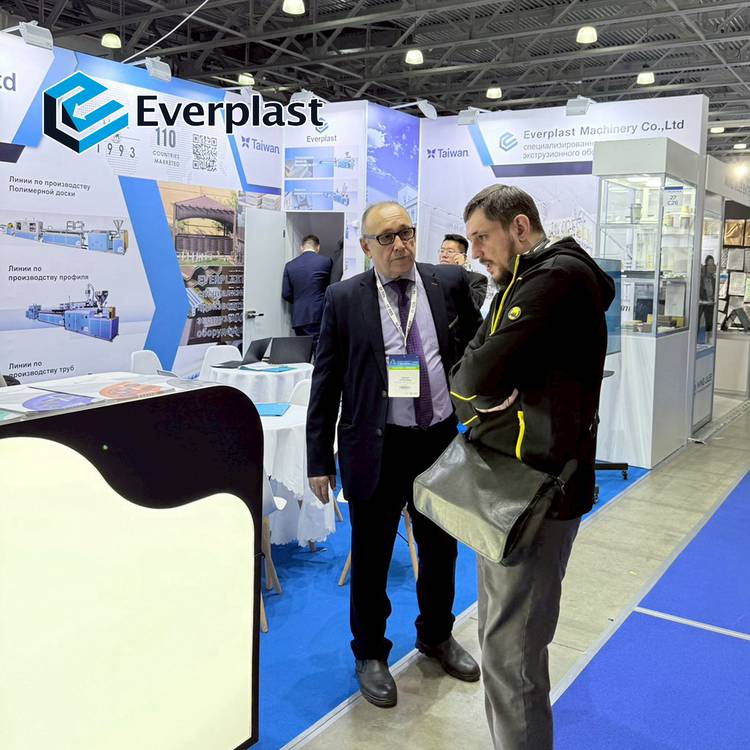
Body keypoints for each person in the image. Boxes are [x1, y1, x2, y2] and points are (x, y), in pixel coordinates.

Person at [449, 185, 615, 750]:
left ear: (519, 227)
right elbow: (469, 374)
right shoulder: (519, 281)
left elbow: (472, 377)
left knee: (511, 653)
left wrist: (477, 389)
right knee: (499, 638)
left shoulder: (555, 279)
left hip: (538, 493)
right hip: (507, 486)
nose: (474, 253)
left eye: (482, 238)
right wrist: (477, 391)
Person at [306, 201, 483, 708]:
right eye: (387, 238)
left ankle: (437, 635)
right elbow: (325, 381)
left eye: (406, 232)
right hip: (376, 444)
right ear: (366, 247)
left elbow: (478, 346)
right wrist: (319, 459)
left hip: (437, 441)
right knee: (372, 556)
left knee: (441, 550)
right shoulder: (344, 298)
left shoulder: (448, 282)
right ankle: (369, 653)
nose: (400, 244)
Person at [281, 234, 332, 346]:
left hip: (299, 318)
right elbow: (332, 287)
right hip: (319, 315)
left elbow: (286, 293)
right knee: (319, 350)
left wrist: (300, 301)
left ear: (301, 247)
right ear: (318, 247)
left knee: (303, 351)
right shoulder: (326, 262)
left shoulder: (289, 265)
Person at [438, 233, 488, 310]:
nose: (444, 255)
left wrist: (458, 272)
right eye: (442, 251)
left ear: (463, 257)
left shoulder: (478, 279)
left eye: (450, 251)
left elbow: (475, 305)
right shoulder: (431, 276)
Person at [697, 254, 716, 344]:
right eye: (709, 265)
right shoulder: (700, 279)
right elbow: (699, 294)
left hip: (710, 308)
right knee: (699, 329)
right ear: (706, 266)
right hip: (701, 308)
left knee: (709, 329)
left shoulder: (713, 279)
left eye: (713, 264)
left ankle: (707, 343)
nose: (711, 267)